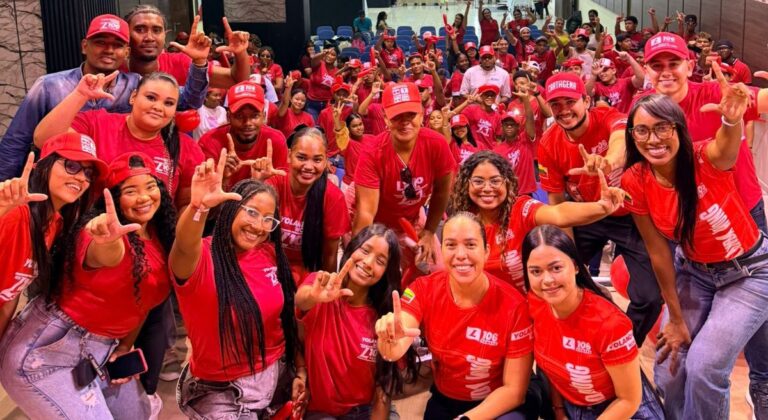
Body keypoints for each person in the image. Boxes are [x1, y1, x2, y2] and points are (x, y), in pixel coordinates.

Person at [621, 86, 768, 419]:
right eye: (642, 130)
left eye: (662, 127)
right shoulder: (636, 179)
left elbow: (727, 148)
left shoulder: (705, 158)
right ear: (633, 136)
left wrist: (732, 122)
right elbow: (658, 250)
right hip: (696, 273)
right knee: (669, 369)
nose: (653, 139)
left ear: (678, 129)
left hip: (751, 273)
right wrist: (674, 317)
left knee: (704, 367)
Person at [169, 152, 303, 418]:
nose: (258, 225)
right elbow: (183, 246)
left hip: (276, 373)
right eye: (251, 213)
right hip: (221, 390)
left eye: (268, 219)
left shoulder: (268, 254)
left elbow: (285, 320)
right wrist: (198, 208)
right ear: (231, 209)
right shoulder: (202, 257)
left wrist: (300, 371)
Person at [0, 13, 207, 181]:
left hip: (111, 185)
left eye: (117, 45)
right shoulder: (49, 86)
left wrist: (198, 63)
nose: (108, 50)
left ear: (126, 52)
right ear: (84, 46)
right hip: (59, 183)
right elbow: (16, 142)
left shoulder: (135, 84)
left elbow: (187, 100)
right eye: (100, 42)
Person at [537, 72, 663, 346]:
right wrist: (570, 257)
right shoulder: (548, 143)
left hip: (629, 215)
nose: (563, 110)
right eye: (556, 104)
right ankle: (569, 341)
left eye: (570, 102)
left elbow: (620, 140)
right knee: (558, 275)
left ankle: (626, 345)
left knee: (651, 296)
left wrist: (607, 162)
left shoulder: (610, 117)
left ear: (586, 100)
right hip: (586, 214)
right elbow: (557, 205)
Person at [375, 212, 535, 418]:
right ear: (441, 250)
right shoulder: (424, 289)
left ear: (486, 252)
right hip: (447, 399)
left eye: (470, 245)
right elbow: (399, 338)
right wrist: (389, 341)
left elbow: (514, 391)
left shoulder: (514, 305)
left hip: (502, 403)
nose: (460, 254)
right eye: (450, 245)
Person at [522, 225, 665, 419]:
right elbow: (551, 368)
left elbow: (628, 401)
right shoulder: (534, 304)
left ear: (575, 266)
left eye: (556, 268)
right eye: (536, 271)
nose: (547, 280)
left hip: (621, 411)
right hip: (572, 407)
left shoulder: (610, 323)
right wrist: (559, 411)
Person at [638, 32, 768, 233]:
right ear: (646, 71)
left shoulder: (717, 94)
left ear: (689, 68)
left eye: (673, 64)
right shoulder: (642, 108)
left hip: (742, 204)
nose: (665, 72)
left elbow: (763, 100)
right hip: (689, 213)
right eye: (657, 66)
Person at [450, 151, 624, 291]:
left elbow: (559, 213)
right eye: (478, 181)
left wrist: (602, 207)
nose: (487, 188)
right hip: (487, 312)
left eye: (495, 181)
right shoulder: (463, 222)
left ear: (507, 183)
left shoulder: (520, 208)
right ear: (467, 184)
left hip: (528, 309)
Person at [297, 224, 418, 419]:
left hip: (366, 410)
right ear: (351, 248)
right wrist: (315, 295)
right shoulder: (320, 287)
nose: (368, 263)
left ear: (386, 271)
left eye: (380, 260)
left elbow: (382, 392)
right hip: (321, 412)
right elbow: (301, 300)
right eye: (365, 250)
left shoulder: (383, 318)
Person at [33, 72, 205, 208]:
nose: (158, 107)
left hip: (156, 241)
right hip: (95, 234)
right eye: (151, 98)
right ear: (133, 97)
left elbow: (186, 204)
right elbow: (45, 140)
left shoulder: (186, 147)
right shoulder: (98, 123)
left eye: (168, 103)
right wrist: (80, 95)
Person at [0, 133, 107, 337]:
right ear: (44, 167)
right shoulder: (15, 213)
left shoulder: (55, 224)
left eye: (88, 173)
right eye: (71, 166)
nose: (81, 178)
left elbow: (10, 295)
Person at [353, 82, 456, 279]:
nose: (405, 121)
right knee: (373, 274)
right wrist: (365, 253)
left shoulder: (437, 144)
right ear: (385, 117)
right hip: (377, 220)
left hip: (412, 215)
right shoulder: (373, 152)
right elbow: (366, 213)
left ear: (422, 113)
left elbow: (442, 191)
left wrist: (428, 232)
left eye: (411, 114)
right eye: (397, 116)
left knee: (438, 272)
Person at [252, 127, 350, 284]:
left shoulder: (333, 197)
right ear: (289, 156)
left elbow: (329, 255)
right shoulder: (273, 183)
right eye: (302, 158)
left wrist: (326, 290)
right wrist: (257, 184)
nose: (309, 167)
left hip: (306, 273)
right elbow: (250, 230)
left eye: (317, 160)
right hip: (265, 264)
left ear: (326, 161)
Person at [124, 5, 250, 88]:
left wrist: (240, 53)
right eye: (140, 30)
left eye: (156, 30)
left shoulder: (179, 63)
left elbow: (236, 80)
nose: (149, 37)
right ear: (126, 34)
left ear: (165, 35)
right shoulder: (113, 69)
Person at [199, 81, 289, 191]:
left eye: (255, 116)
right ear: (228, 117)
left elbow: (282, 193)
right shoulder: (210, 142)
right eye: (239, 116)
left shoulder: (276, 140)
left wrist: (262, 183)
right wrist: (223, 179)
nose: (247, 123)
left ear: (264, 116)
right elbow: (203, 199)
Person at [306, 44, 340, 121]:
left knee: (325, 127)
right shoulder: (319, 64)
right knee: (314, 128)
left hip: (327, 104)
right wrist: (323, 53)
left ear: (336, 58)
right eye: (328, 53)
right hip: (312, 103)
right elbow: (313, 59)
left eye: (333, 55)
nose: (329, 56)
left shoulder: (337, 71)